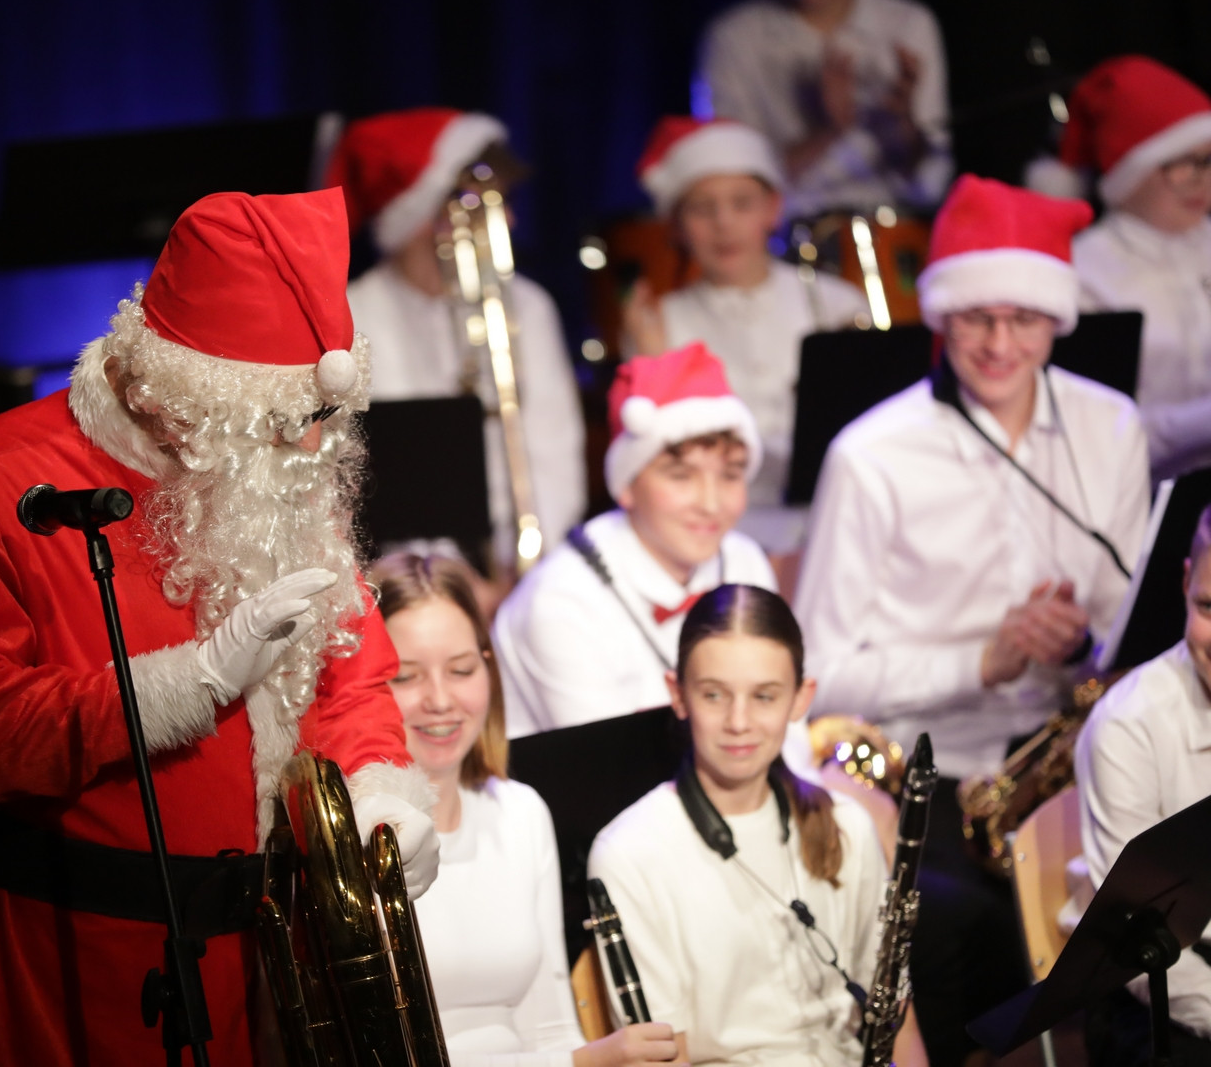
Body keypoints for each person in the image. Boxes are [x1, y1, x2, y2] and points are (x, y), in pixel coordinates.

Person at [0, 189, 437, 1067]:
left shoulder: (276, 470)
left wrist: (376, 800)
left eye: (320, 421)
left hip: (268, 989)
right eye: (286, 422)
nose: (310, 452)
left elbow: (348, 673)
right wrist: (192, 683)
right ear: (180, 391)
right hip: (61, 983)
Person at [796, 175, 1151, 1064]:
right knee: (965, 958)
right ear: (941, 316)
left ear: (1057, 321)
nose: (998, 345)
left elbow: (1139, 617)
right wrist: (981, 660)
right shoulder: (870, 456)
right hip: (929, 779)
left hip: (1079, 756)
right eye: (974, 318)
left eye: (1023, 320)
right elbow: (823, 674)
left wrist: (1086, 643)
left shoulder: (1114, 427)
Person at [589, 584, 924, 1066]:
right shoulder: (630, 852)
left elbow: (898, 1016)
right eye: (713, 695)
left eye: (764, 696)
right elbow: (667, 1057)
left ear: (800, 699)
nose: (739, 721)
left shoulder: (848, 826)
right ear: (677, 695)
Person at [372, 552, 682, 1066]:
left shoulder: (519, 812)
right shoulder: (354, 838)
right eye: (406, 677)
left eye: (462, 669)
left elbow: (551, 1023)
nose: (441, 699)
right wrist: (583, 1064)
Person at [327, 107, 588, 573]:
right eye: (483, 205)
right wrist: (446, 577)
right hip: (398, 568)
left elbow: (555, 449)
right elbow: (359, 475)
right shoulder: (352, 314)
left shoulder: (527, 305)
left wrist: (525, 562)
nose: (506, 221)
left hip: (518, 562)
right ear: (423, 215)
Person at [492, 345, 790, 749]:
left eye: (730, 475)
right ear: (628, 485)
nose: (710, 502)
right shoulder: (560, 602)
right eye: (681, 476)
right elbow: (612, 772)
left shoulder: (743, 559)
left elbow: (786, 728)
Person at [629, 115, 869, 548]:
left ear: (772, 209)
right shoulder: (662, 321)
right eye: (703, 208)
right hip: (717, 533)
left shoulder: (836, 304)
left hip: (832, 524)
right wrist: (652, 363)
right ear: (679, 225)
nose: (724, 223)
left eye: (742, 203)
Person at [1075, 504, 1211, 1064]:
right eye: (1208, 606)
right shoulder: (1129, 725)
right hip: (1167, 984)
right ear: (1185, 582)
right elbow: (1139, 942)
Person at [1032, 55, 1211, 479]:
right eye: (1185, 163)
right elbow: (1094, 434)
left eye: (1209, 161)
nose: (1202, 180)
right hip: (1140, 497)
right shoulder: (1084, 273)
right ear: (1133, 172)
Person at [693, 0, 952, 219]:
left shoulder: (907, 25)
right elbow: (726, 186)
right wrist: (827, 131)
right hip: (777, 235)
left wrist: (903, 127)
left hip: (890, 229)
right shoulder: (733, 38)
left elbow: (931, 185)